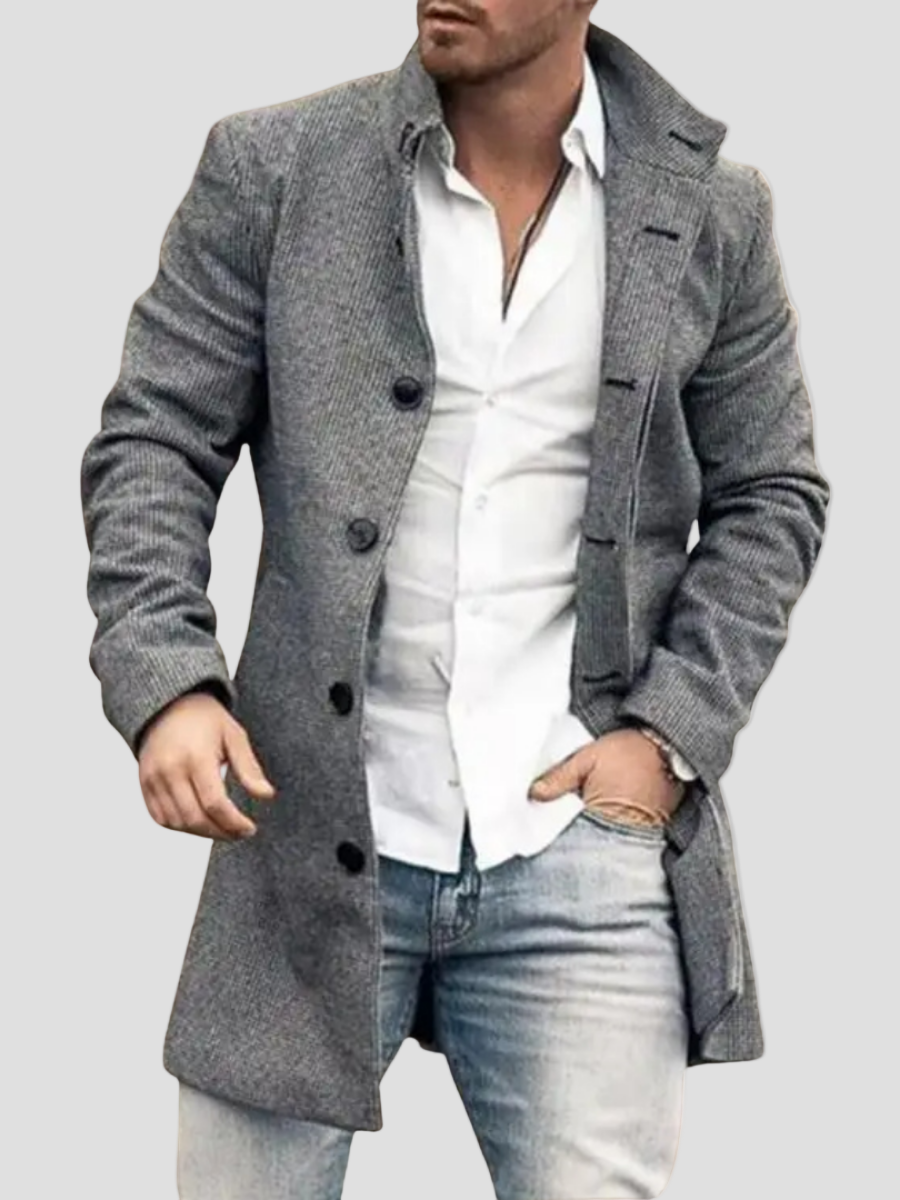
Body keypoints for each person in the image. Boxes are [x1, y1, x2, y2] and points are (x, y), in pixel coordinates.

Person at [80, 2, 830, 1196]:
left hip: (574, 842)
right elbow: (154, 440)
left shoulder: (710, 210)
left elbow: (772, 494)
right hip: (301, 828)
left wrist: (668, 737)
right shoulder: (273, 168)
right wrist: (167, 679)